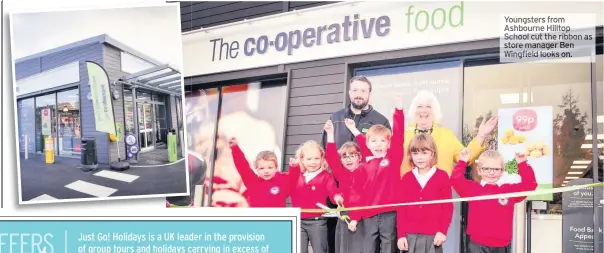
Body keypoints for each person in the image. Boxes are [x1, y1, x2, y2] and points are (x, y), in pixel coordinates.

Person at [321, 75, 391, 253]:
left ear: (370, 94)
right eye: (355, 90)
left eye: (363, 90)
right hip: (339, 188)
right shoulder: (336, 117)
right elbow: (327, 152)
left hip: (366, 193)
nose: (358, 94)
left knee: (365, 240)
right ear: (349, 92)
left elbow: (379, 154)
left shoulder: (380, 120)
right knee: (338, 237)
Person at [346, 94, 405, 253]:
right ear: (367, 144)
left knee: (388, 248)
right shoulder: (363, 167)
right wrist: (354, 217)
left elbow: (399, 136)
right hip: (368, 215)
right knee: (368, 248)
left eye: (383, 141)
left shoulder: (393, 159)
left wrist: (398, 110)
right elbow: (355, 194)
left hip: (389, 214)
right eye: (374, 141)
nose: (378, 145)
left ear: (389, 143)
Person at [452, 149, 537, 253]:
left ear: (502, 171)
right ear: (479, 170)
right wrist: (462, 162)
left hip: (502, 245)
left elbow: (530, 185)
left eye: (496, 169)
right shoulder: (473, 189)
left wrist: (522, 164)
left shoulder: (508, 190)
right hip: (477, 245)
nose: (491, 173)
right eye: (486, 169)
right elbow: (456, 180)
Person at [400, 90, 499, 177]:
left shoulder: (446, 134)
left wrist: (481, 135)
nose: (424, 110)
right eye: (419, 106)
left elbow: (464, 157)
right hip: (409, 194)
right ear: (414, 110)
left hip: (440, 194)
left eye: (428, 106)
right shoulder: (402, 134)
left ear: (435, 111)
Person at [396, 134, 453, 253]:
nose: (419, 158)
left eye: (424, 153)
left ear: (432, 154)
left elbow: (447, 207)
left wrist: (442, 231)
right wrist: (401, 235)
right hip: (409, 235)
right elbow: (401, 209)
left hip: (433, 236)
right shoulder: (406, 178)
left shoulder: (442, 176)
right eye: (415, 153)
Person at [290, 140, 343, 253]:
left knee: (320, 250)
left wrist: (337, 198)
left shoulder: (326, 176)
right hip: (297, 221)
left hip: (317, 222)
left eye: (316, 158)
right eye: (309, 159)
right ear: (302, 160)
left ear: (322, 159)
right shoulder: (296, 175)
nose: (313, 162)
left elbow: (333, 192)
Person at [324, 120, 366, 253]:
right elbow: (331, 156)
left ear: (360, 157)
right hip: (345, 216)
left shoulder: (365, 170)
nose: (348, 159)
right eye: (344, 157)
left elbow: (366, 148)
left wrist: (354, 129)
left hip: (362, 217)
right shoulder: (341, 173)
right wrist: (330, 134)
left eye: (352, 155)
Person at [227, 137, 293, 207]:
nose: (266, 171)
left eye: (270, 167)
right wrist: (235, 148)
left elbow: (295, 178)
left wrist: (294, 167)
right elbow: (242, 166)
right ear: (256, 169)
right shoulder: (252, 182)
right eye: (261, 168)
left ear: (276, 167)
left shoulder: (283, 180)